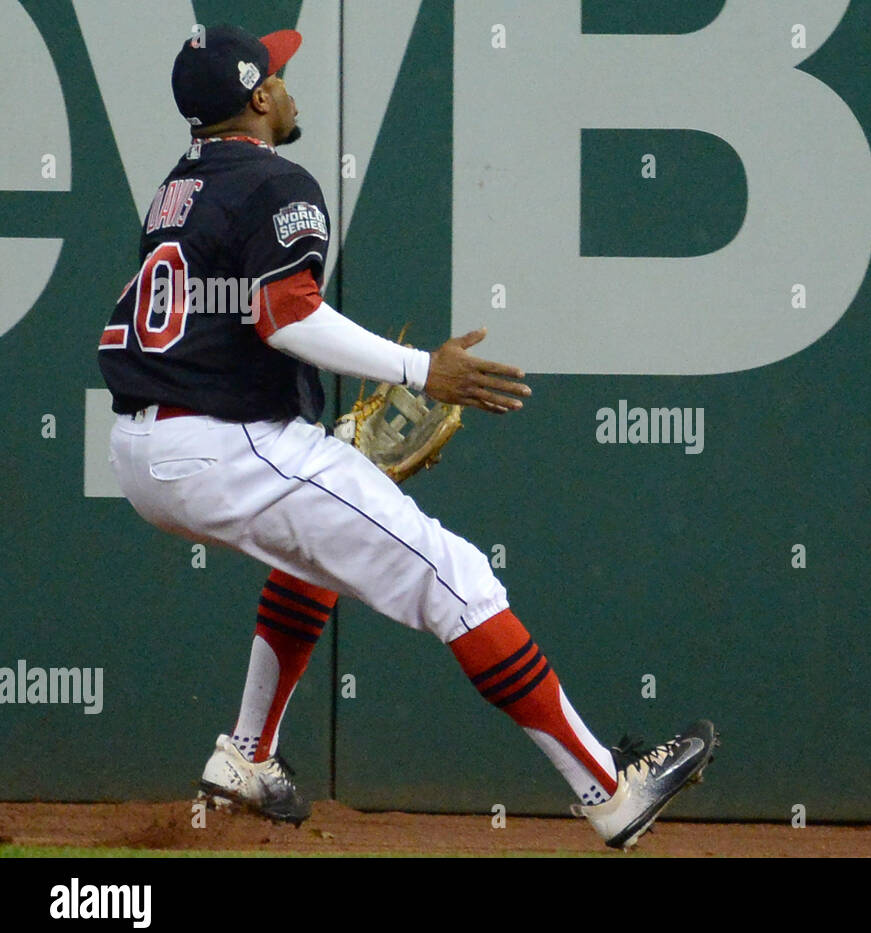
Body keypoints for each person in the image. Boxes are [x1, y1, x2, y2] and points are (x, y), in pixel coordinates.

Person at [97, 24, 716, 850]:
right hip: (222, 449)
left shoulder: (181, 186)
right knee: (458, 581)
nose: (287, 83)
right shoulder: (280, 183)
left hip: (149, 450)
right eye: (277, 73)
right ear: (258, 98)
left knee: (311, 556)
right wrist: (423, 369)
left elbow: (230, 328)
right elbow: (286, 318)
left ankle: (249, 754)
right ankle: (609, 790)